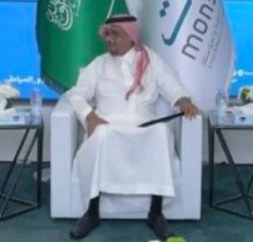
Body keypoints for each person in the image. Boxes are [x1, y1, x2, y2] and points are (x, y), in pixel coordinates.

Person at [65, 14, 200, 240]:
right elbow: (76, 94)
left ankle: (155, 213)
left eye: (115, 34)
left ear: (130, 36)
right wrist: (90, 116)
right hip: (108, 124)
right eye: (108, 34)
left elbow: (171, 86)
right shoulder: (99, 64)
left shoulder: (151, 60)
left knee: (160, 133)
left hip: (144, 124)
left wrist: (182, 100)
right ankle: (92, 212)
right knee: (101, 134)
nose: (109, 40)